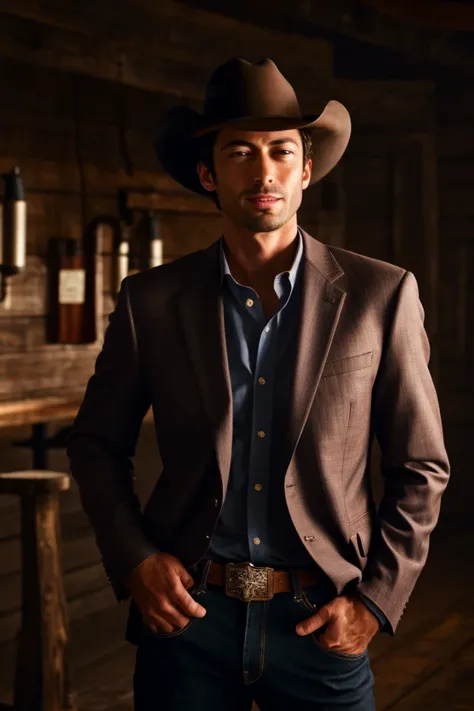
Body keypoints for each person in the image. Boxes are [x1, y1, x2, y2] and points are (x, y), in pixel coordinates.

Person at [67, 58, 451, 710]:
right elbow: (96, 444)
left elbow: (421, 465)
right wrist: (134, 558)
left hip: (322, 622)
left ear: (306, 171)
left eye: (281, 152)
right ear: (209, 174)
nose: (264, 170)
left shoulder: (379, 296)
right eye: (241, 152)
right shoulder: (151, 301)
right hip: (185, 620)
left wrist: (373, 601)